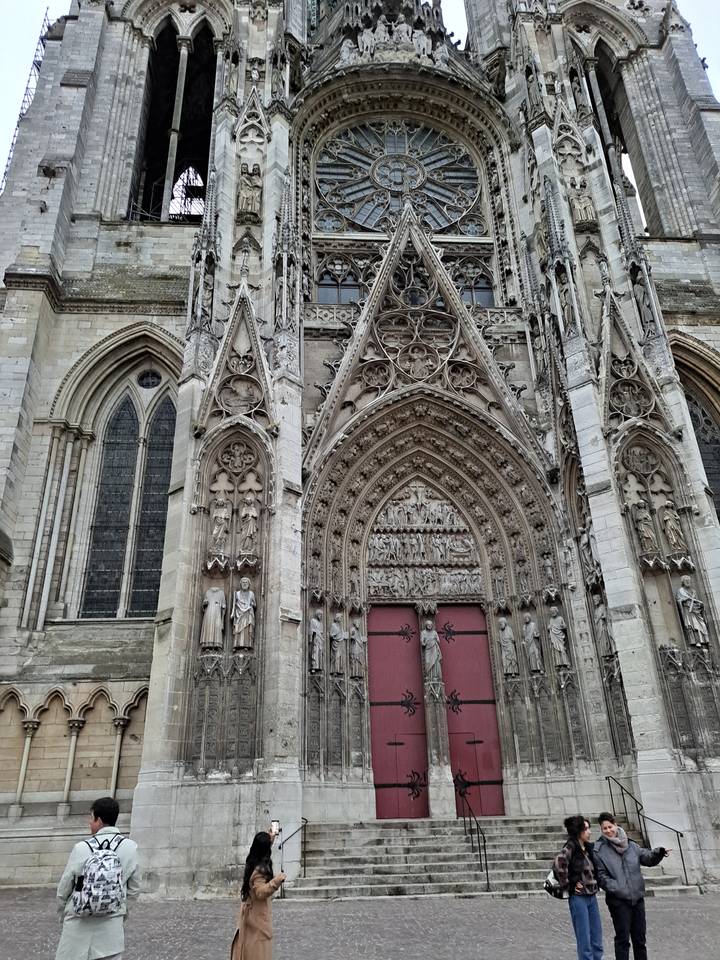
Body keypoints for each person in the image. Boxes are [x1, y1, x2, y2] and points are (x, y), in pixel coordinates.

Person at [55, 796, 140, 960]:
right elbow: (134, 889)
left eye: (91, 818)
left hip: (77, 926)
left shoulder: (81, 848)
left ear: (99, 820)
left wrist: (63, 914)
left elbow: (64, 887)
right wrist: (121, 912)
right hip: (111, 929)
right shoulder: (130, 848)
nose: (89, 822)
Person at [593, 812, 670, 960]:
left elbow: (647, 858)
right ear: (601, 830)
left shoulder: (632, 845)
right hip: (618, 901)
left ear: (616, 825)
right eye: (604, 828)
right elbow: (601, 876)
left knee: (640, 940)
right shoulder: (599, 850)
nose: (608, 831)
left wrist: (659, 852)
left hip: (637, 899)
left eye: (610, 827)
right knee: (622, 940)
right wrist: (618, 888)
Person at [553, 814, 603, 960]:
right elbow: (559, 864)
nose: (589, 832)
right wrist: (569, 885)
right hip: (579, 898)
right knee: (584, 938)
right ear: (579, 831)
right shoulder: (571, 846)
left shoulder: (587, 848)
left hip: (591, 896)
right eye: (586, 829)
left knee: (596, 936)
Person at [231, 830, 286, 960]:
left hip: (252, 915)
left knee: (251, 949)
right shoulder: (260, 870)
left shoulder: (253, 860)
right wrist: (276, 881)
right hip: (257, 919)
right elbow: (260, 892)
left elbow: (263, 849)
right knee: (258, 952)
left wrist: (269, 839)